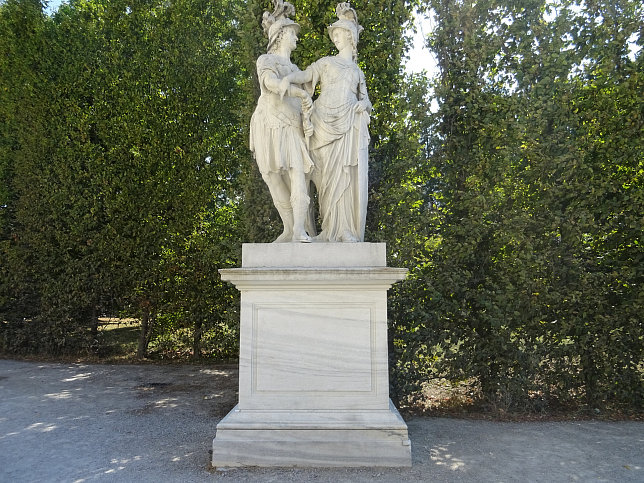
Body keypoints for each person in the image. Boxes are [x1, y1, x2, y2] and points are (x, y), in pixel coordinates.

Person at [281, 2, 371, 242]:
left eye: (340, 35)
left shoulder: (357, 72)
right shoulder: (326, 62)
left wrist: (363, 106)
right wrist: (286, 78)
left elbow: (367, 101)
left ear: (350, 37)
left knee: (344, 177)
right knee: (325, 180)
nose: (336, 39)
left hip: (347, 124)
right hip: (323, 123)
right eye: (335, 36)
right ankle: (326, 229)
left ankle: (343, 230)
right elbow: (306, 76)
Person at [250, 0, 315, 243]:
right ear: (281, 35)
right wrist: (296, 92)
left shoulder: (296, 68)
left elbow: (306, 99)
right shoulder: (266, 60)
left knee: (297, 172)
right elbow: (270, 84)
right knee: (272, 177)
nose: (296, 39)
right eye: (293, 34)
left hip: (290, 124)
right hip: (268, 122)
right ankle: (289, 228)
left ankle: (299, 228)